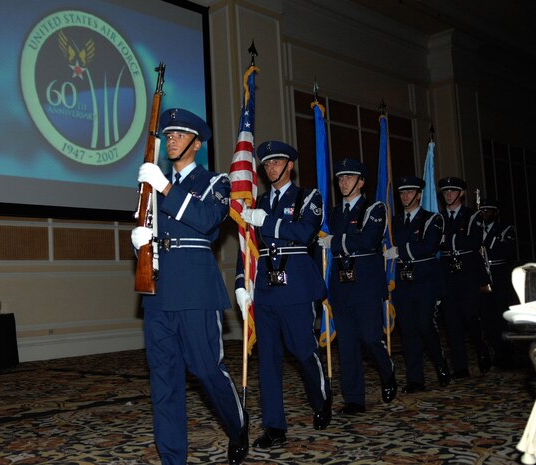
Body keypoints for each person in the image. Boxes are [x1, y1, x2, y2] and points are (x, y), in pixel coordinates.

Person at [130, 108, 248, 465]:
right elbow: (143, 222)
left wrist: (164, 187)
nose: (171, 141)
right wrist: (137, 241)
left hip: (195, 289)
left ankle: (237, 423)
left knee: (206, 369)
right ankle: (172, 457)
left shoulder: (216, 183)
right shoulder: (151, 184)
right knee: (163, 379)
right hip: (158, 290)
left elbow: (208, 221)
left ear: (196, 144)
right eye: (168, 136)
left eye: (179, 136)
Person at [234, 141, 332, 449]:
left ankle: (321, 398)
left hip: (297, 289)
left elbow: (304, 232)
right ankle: (274, 426)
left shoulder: (308, 197)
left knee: (303, 351)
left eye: (277, 162)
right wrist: (241, 282)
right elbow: (247, 247)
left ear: (290, 165)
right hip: (265, 290)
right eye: (267, 164)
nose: (271, 167)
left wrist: (268, 221)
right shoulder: (259, 200)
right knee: (269, 361)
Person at [317, 157, 396, 414]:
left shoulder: (374, 209)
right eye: (340, 178)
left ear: (361, 182)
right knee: (348, 343)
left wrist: (336, 242)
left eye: (349, 178)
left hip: (365, 283)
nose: (343, 182)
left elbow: (367, 241)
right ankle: (354, 398)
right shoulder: (335, 212)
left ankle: (387, 369)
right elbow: (347, 240)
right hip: (341, 284)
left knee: (371, 337)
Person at [385, 176, 451, 393]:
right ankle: (416, 380)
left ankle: (439, 362)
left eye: (409, 192)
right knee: (408, 331)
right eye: (402, 193)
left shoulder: (432, 219)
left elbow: (429, 246)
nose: (405, 196)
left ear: (419, 194)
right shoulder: (395, 221)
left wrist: (401, 251)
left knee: (424, 325)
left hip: (425, 281)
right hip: (404, 282)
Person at [437, 176, 491, 378]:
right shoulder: (439, 218)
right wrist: (453, 241)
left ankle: (481, 347)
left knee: (470, 316)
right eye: (445, 192)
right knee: (451, 321)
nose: (449, 195)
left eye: (453, 191)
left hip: (468, 273)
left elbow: (471, 242)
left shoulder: (473, 215)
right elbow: (438, 243)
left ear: (461, 193)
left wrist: (447, 240)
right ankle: (460, 366)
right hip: (447, 274)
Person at [478, 197, 517, 369]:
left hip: (499, 276)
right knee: (486, 318)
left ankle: (506, 354)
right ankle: (494, 350)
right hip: (482, 277)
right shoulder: (476, 231)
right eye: (482, 210)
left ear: (495, 212)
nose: (484, 213)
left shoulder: (505, 229)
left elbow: (507, 250)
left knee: (501, 316)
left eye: (488, 210)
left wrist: (488, 245)